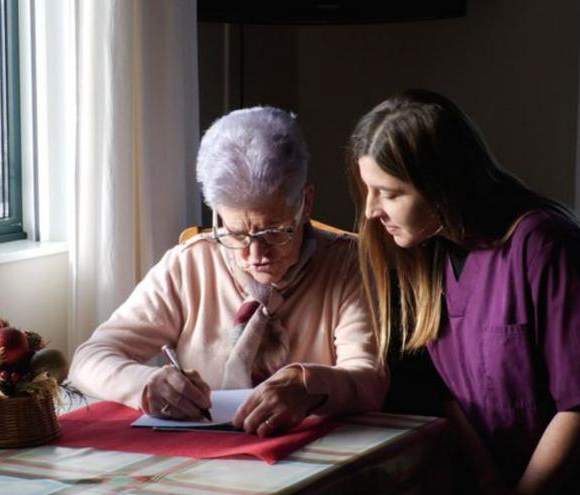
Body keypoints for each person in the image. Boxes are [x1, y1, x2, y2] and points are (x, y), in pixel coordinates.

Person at [347, 89, 580, 494]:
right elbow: (444, 393)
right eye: (370, 190)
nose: (371, 210)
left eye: (389, 193)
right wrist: (489, 479)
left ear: (441, 185)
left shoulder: (544, 244)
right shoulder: (428, 251)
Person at [69, 106, 386, 436]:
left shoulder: (348, 265)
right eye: (236, 234)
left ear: (305, 204)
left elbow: (369, 378)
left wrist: (308, 386)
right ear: (217, 216)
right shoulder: (190, 265)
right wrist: (147, 384)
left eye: (274, 232)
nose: (255, 254)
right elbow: (89, 359)